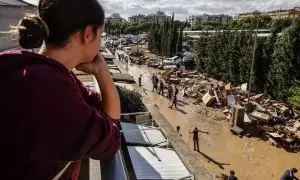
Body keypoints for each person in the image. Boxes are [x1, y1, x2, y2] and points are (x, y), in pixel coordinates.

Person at [0, 0, 121, 179]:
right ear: (88, 34)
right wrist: (103, 74)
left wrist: (101, 72)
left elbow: (103, 110)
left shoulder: (44, 75)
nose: (101, 43)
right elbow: (111, 139)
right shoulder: (49, 89)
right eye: (101, 35)